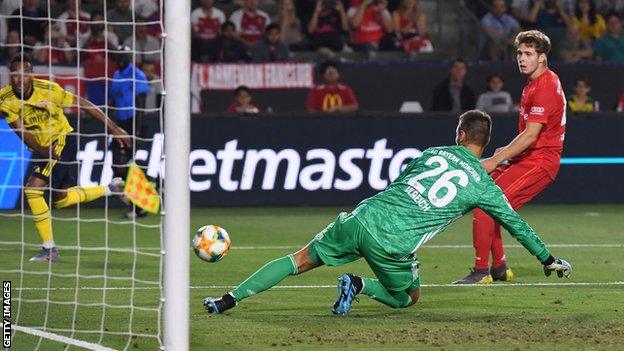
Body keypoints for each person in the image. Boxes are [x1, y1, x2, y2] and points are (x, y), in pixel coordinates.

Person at [202, 109, 573, 315]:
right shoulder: (484, 187)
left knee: (297, 259)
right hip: (394, 245)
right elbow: (516, 225)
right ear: (485, 141)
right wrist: (546, 257)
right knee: (407, 298)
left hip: (362, 217)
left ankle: (228, 299)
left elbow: (399, 182)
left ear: (460, 133)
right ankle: (360, 284)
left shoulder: (432, 153)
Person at [454, 30, 567, 284]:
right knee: (490, 207)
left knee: (486, 207)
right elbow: (529, 136)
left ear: (542, 58)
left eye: (529, 54)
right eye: (519, 53)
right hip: (528, 158)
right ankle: (500, 267)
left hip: (539, 162)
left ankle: (482, 271)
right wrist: (505, 153)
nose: (522, 58)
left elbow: (530, 136)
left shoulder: (544, 88)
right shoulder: (535, 83)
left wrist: (496, 159)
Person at [0, 53, 130, 262]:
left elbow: (83, 103)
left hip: (62, 140)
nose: (19, 79)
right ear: (9, 76)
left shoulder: (49, 90)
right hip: (43, 147)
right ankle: (112, 188)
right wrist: (42, 150)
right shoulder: (5, 100)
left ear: (32, 75)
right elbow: (23, 134)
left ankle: (49, 249)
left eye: (25, 74)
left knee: (33, 190)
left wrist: (114, 128)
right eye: (15, 74)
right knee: (60, 199)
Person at [109, 47, 151, 219]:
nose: (121, 58)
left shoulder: (138, 74)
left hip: (134, 122)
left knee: (124, 165)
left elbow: (141, 103)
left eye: (124, 55)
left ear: (129, 56)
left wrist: (137, 130)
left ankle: (139, 205)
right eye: (118, 55)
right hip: (120, 124)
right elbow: (114, 99)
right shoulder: (116, 75)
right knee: (117, 166)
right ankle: (149, 185)